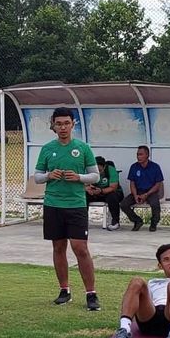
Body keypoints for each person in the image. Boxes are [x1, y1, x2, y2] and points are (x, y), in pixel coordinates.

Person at [34, 107, 102, 310]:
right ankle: (64, 290)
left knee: (80, 248)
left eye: (66, 123)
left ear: (73, 124)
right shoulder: (47, 149)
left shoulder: (82, 148)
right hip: (53, 204)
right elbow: (37, 176)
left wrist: (79, 178)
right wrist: (48, 176)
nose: (62, 127)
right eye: (58, 123)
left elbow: (95, 176)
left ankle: (91, 293)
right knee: (58, 247)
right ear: (53, 126)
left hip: (76, 205)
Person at [119, 146, 165, 232]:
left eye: (141, 154)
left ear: (147, 155)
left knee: (155, 204)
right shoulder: (134, 167)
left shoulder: (155, 167)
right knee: (123, 204)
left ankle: (154, 223)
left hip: (151, 191)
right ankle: (137, 221)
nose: (138, 157)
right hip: (138, 191)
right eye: (137, 154)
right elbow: (132, 183)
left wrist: (146, 194)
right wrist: (135, 195)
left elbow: (158, 184)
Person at [86, 156, 124, 231]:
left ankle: (115, 222)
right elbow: (82, 184)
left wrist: (101, 191)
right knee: (83, 196)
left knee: (112, 197)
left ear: (104, 166)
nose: (98, 172)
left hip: (109, 192)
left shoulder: (110, 170)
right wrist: (87, 189)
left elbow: (113, 187)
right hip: (96, 192)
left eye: (100, 170)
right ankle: (82, 220)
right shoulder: (89, 170)